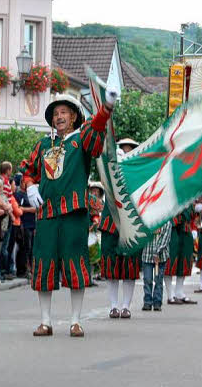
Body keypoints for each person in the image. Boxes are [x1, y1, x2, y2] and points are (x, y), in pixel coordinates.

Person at [23, 89, 118, 338]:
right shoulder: (43, 144)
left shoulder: (82, 139)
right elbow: (28, 170)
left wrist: (106, 107)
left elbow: (97, 130)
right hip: (46, 213)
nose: (59, 117)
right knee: (44, 264)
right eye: (55, 113)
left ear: (74, 116)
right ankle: (45, 321)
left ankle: (76, 321)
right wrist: (30, 185)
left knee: (75, 263)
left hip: (74, 210)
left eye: (64, 112)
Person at [100, 137, 142, 318]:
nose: (125, 153)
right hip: (110, 223)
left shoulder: (138, 173)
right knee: (111, 265)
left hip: (130, 223)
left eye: (128, 151)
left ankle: (126, 306)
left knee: (130, 266)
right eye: (122, 150)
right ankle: (113, 305)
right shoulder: (109, 170)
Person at [163, 204, 197, 305]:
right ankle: (170, 295)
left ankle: (179, 292)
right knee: (171, 258)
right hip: (171, 225)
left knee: (185, 256)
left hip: (185, 227)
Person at [140, 223, 170, 312]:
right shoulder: (147, 220)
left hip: (160, 256)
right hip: (147, 254)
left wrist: (157, 252)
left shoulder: (167, 222)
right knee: (147, 279)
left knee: (158, 280)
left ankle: (157, 302)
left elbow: (165, 238)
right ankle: (147, 302)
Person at [14, 174, 36, 279]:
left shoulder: (30, 194)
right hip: (24, 224)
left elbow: (37, 208)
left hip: (33, 224)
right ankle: (23, 270)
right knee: (25, 248)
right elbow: (18, 208)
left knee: (32, 249)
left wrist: (25, 209)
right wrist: (28, 209)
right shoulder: (18, 195)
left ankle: (31, 269)